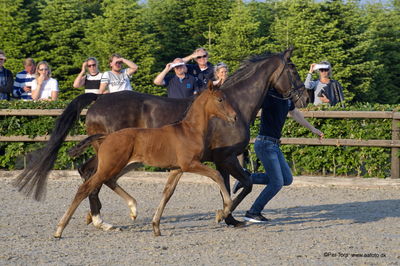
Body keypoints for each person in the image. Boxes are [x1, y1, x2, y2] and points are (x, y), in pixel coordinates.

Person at [233, 88, 324, 223]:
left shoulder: (286, 98)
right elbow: (251, 104)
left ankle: (246, 178)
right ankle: (253, 212)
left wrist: (312, 129)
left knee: (287, 179)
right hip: (265, 144)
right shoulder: (269, 95)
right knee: (276, 183)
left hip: (275, 145)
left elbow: (295, 113)